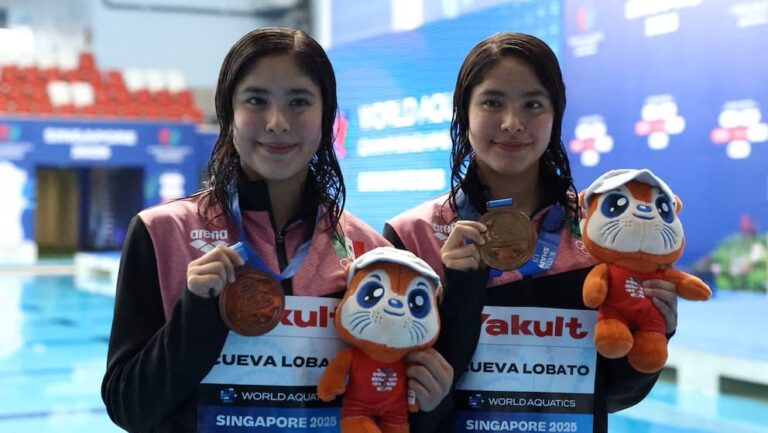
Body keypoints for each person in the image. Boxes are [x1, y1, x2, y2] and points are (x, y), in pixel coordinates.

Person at [102, 27, 452, 432]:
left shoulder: (367, 252)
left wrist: (430, 401)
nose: (277, 122)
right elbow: (129, 408)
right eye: (256, 101)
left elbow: (384, 404)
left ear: (327, 117)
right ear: (228, 113)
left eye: (299, 102)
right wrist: (197, 313)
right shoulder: (162, 233)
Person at [384, 32, 679, 433]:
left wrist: (655, 327)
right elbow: (392, 400)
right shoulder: (413, 236)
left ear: (555, 114)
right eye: (492, 102)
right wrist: (459, 291)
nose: (512, 123)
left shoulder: (601, 232)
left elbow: (614, 394)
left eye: (533, 104)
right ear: (464, 111)